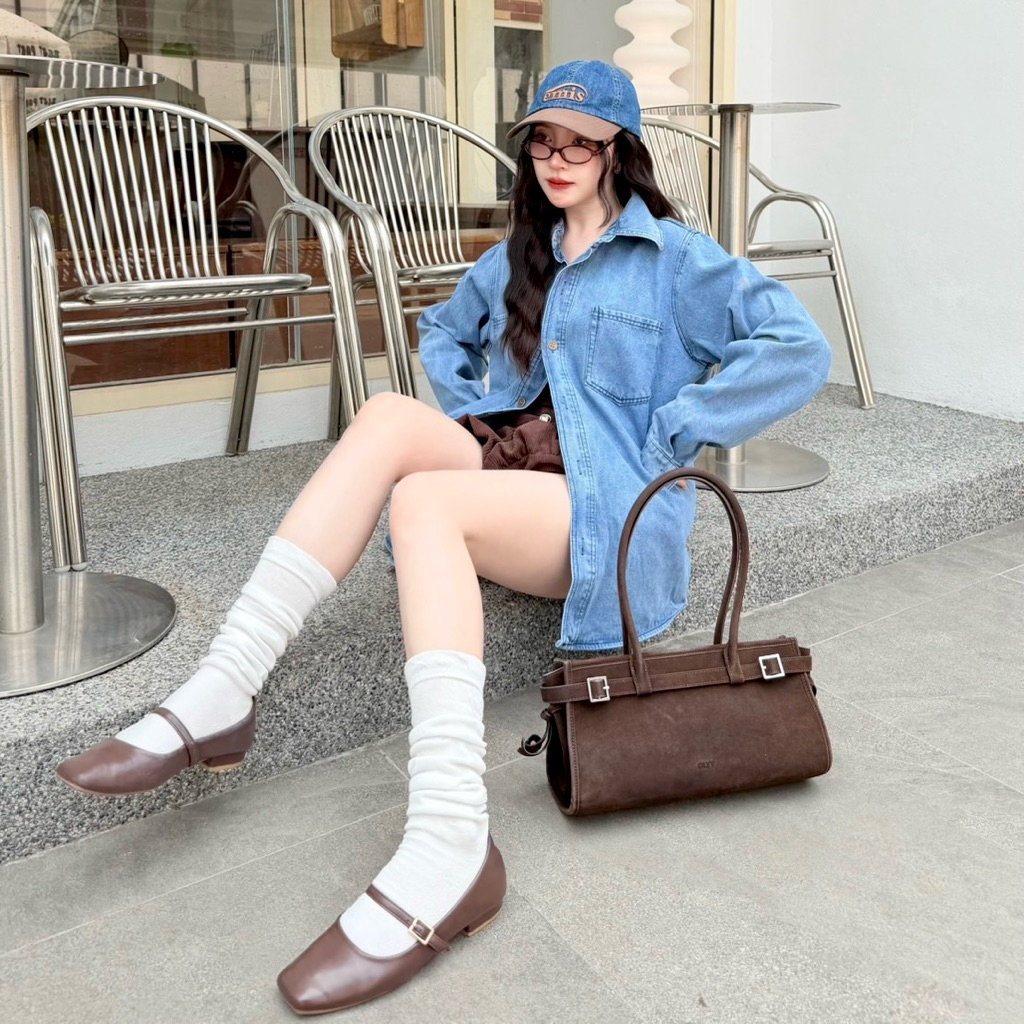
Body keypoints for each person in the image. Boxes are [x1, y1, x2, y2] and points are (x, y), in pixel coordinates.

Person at [54, 60, 831, 1015]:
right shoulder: (520, 256)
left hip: (613, 512)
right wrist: (477, 414)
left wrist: (677, 426)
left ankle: (452, 837)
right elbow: (439, 332)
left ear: (619, 153)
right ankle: (226, 684)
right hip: (524, 475)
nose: (558, 159)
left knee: (423, 503)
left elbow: (798, 347)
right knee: (387, 416)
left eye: (581, 143)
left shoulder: (676, 259)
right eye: (543, 141)